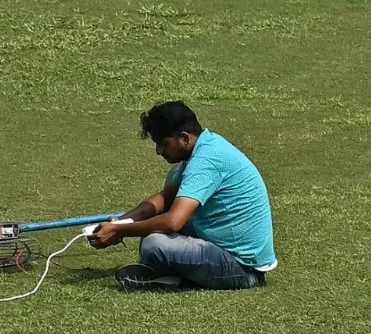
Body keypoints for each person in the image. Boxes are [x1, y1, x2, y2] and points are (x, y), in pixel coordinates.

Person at [89, 101, 277, 291]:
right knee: (156, 220)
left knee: (155, 243)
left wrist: (118, 232)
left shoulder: (205, 161)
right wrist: (121, 222)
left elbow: (173, 222)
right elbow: (165, 198)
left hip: (243, 268)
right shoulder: (206, 145)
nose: (158, 151)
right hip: (223, 246)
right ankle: (166, 274)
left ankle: (166, 277)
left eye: (163, 144)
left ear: (184, 138)